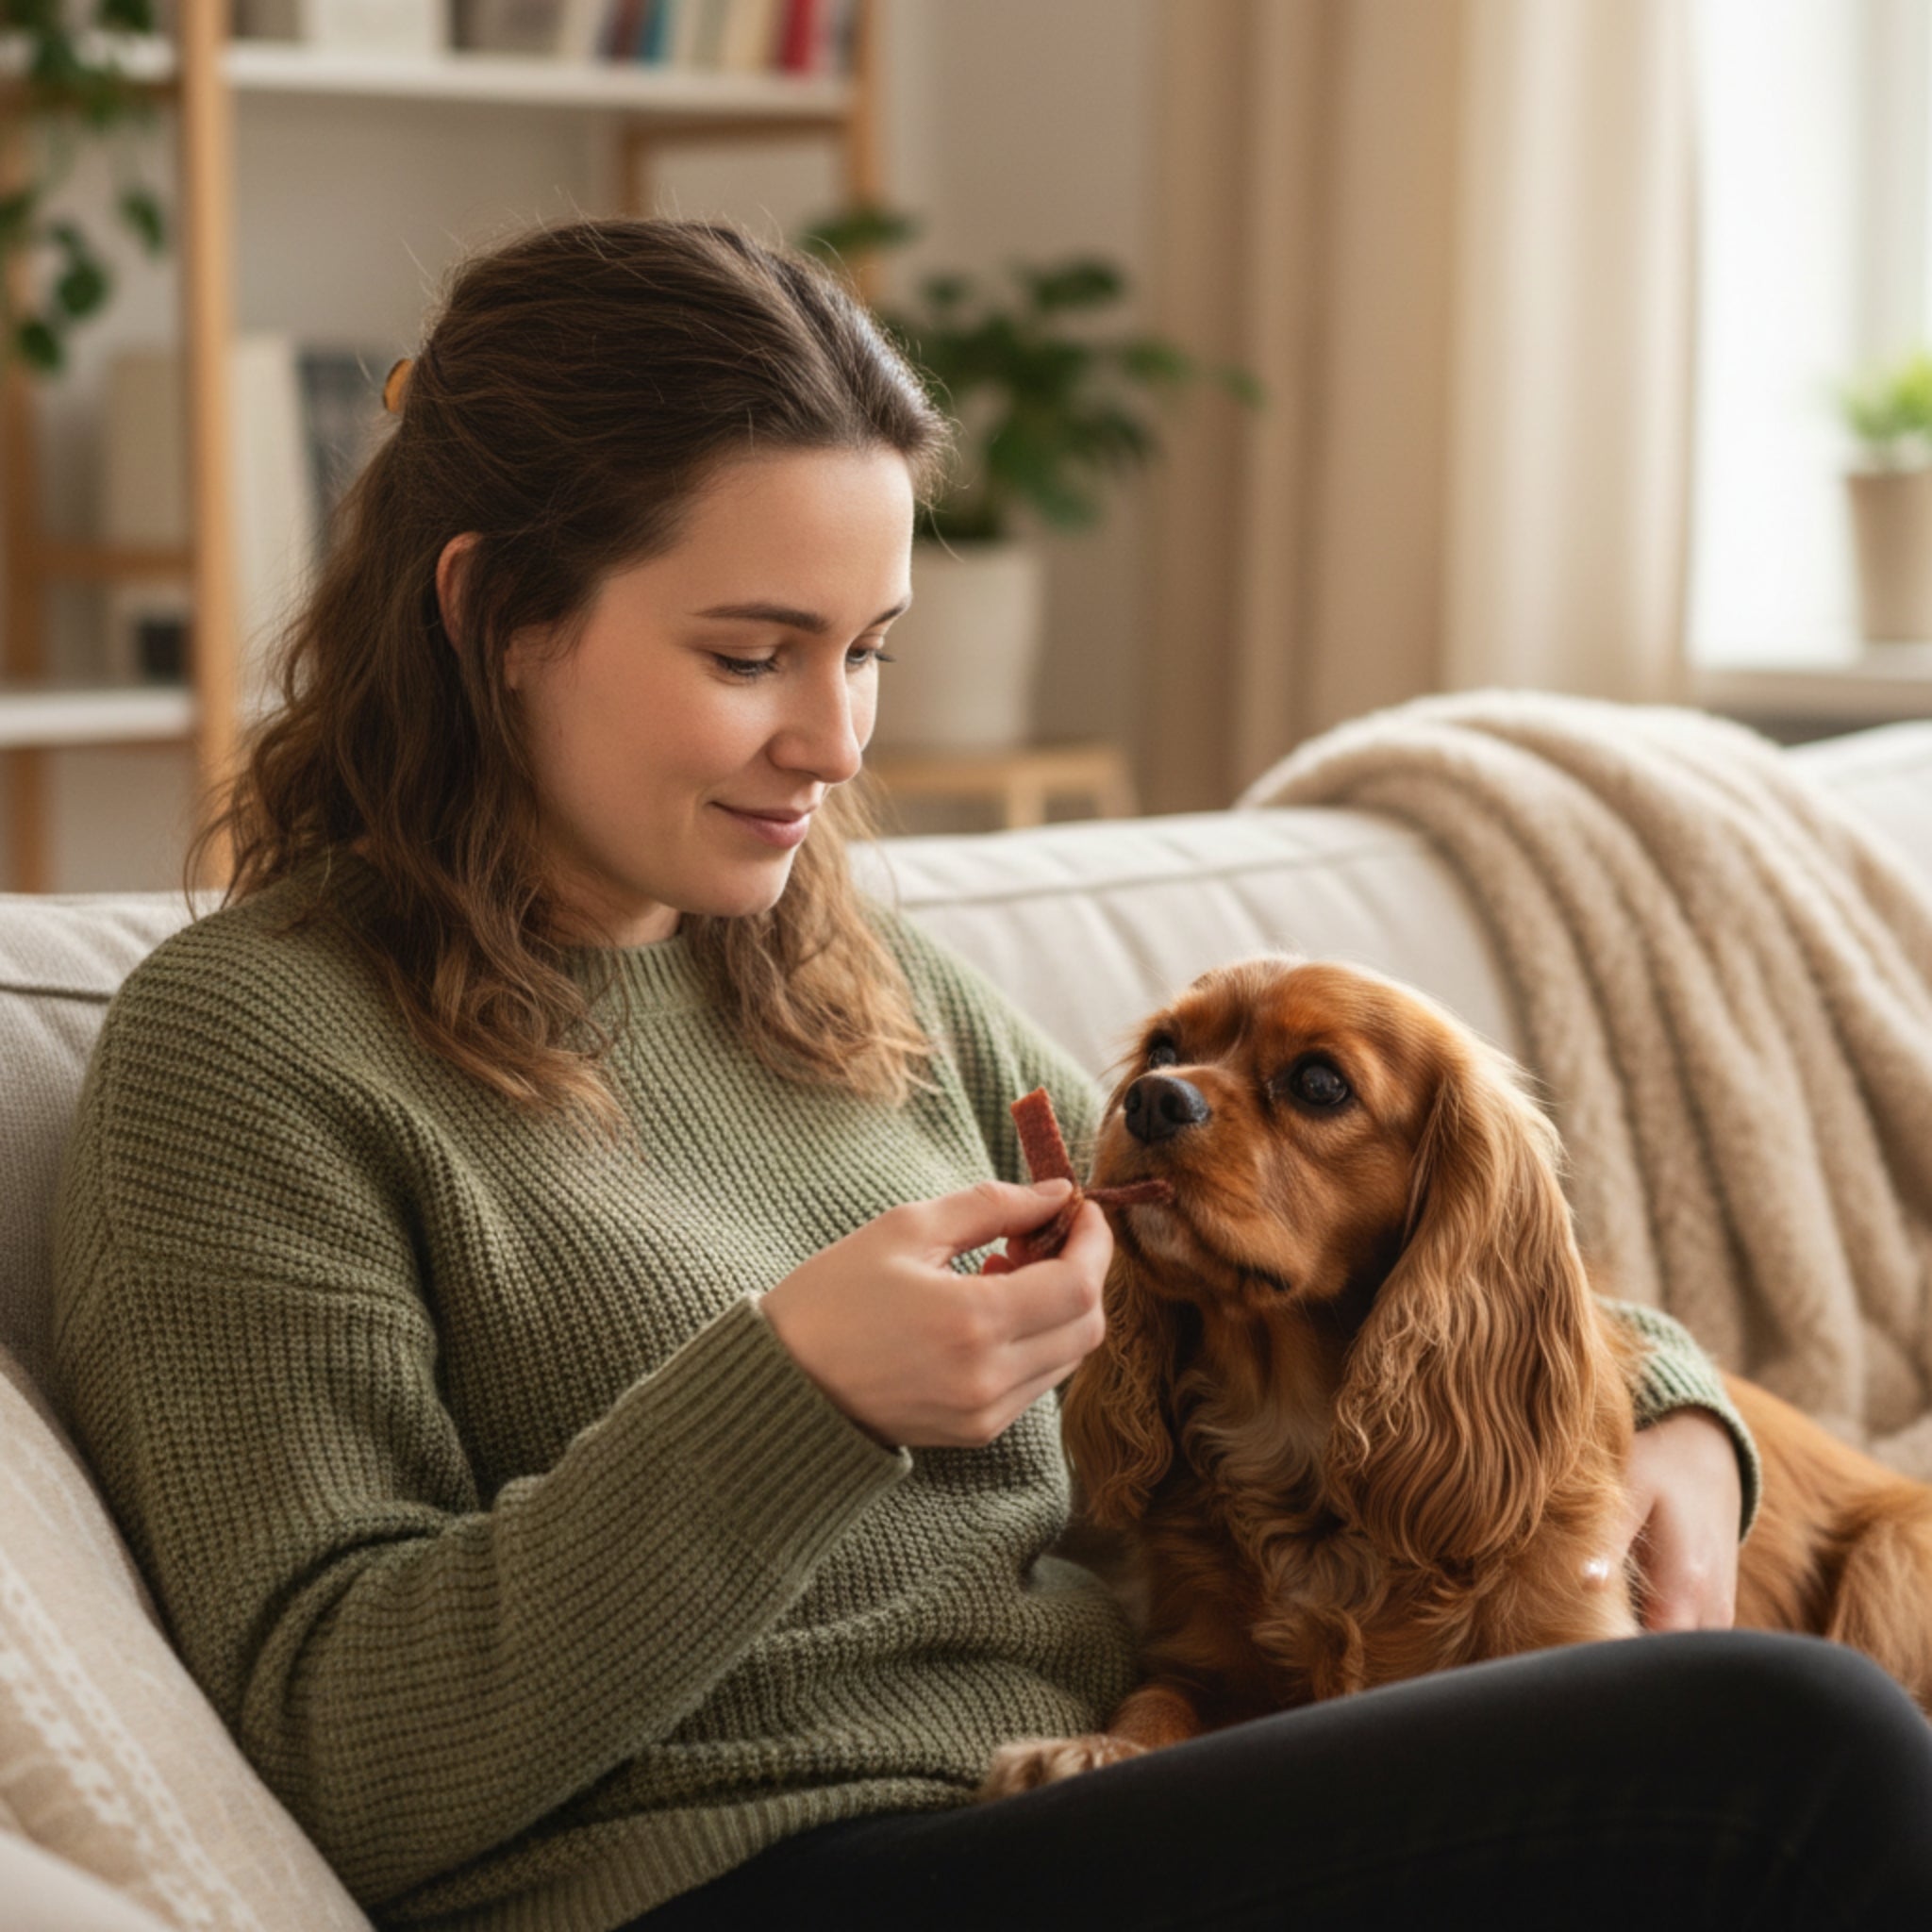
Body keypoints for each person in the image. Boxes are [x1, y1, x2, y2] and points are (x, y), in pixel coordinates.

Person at [50, 218, 1932, 1932]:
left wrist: (1682, 1410)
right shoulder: (247, 1058)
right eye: (749, 652)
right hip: (745, 1875)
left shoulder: (851, 987)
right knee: (1799, 1750)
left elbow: (1344, 1239)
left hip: (1114, 1794)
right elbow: (344, 1746)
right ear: (489, 614)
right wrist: (797, 1391)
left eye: (865, 651)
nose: (831, 738)